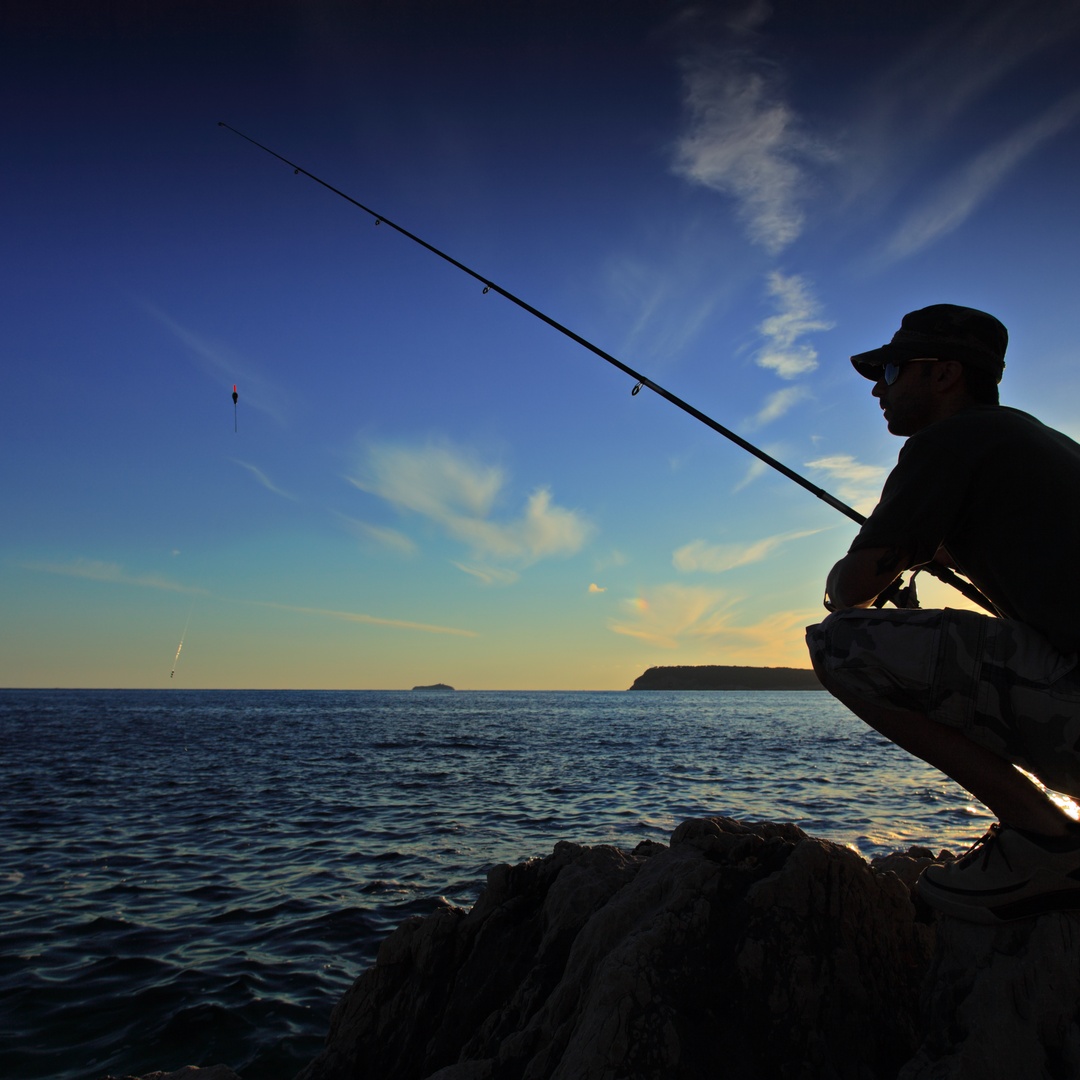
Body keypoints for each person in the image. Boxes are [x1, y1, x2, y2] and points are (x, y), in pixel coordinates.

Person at [806, 303, 1080, 923]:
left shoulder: (950, 442)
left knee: (842, 643)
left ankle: (1047, 840)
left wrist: (853, 576)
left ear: (946, 374)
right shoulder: (1040, 441)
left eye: (894, 369)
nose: (879, 387)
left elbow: (852, 591)